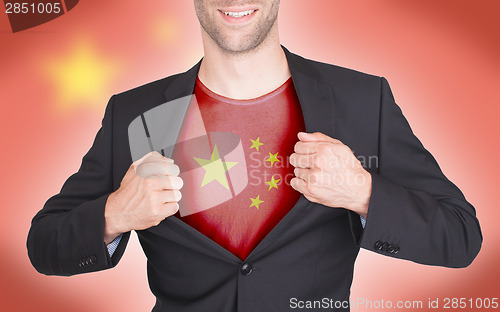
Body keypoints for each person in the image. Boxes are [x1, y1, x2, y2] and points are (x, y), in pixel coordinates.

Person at [27, 1, 482, 311]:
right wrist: (114, 215)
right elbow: (44, 245)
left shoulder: (362, 100)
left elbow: (461, 236)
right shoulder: (136, 113)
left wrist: (363, 192)